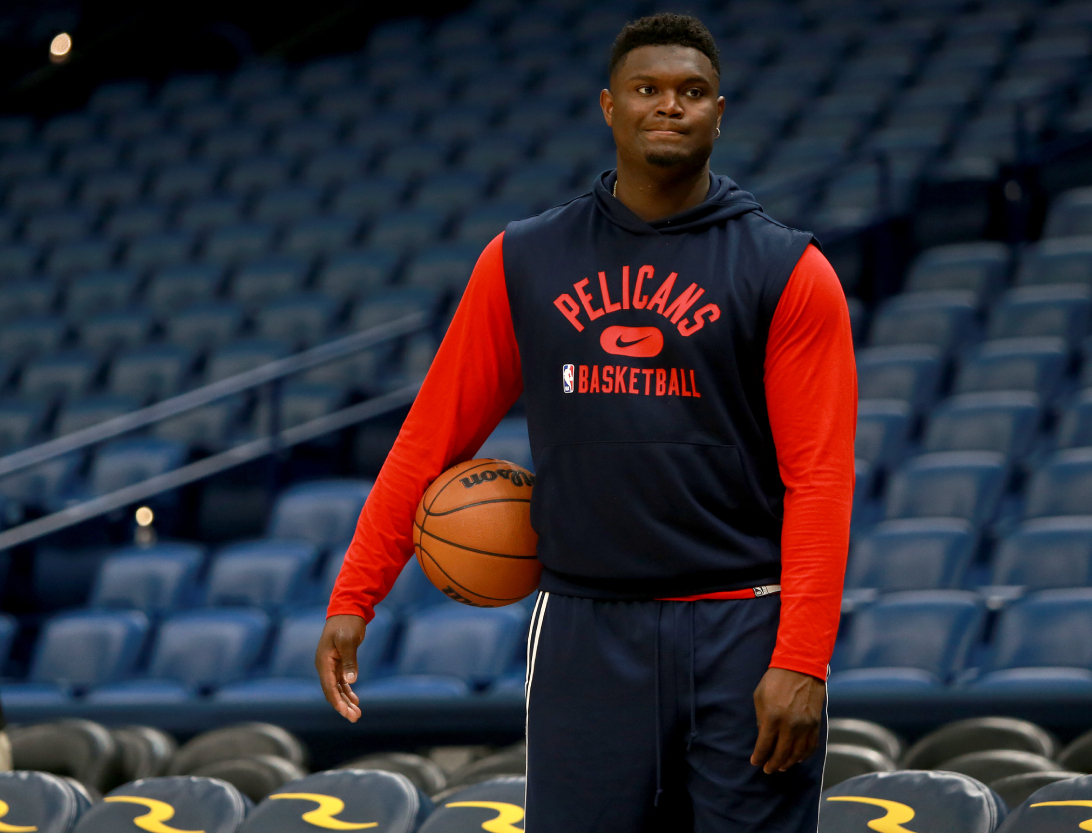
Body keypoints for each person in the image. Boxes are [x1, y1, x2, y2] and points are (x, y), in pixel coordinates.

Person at [317, 12, 857, 831]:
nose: (669, 106)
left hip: (743, 619)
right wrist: (357, 592)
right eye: (648, 89)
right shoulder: (524, 259)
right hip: (583, 625)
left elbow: (819, 477)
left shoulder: (789, 270)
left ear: (720, 112)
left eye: (692, 92)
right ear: (609, 106)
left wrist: (802, 656)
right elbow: (431, 437)